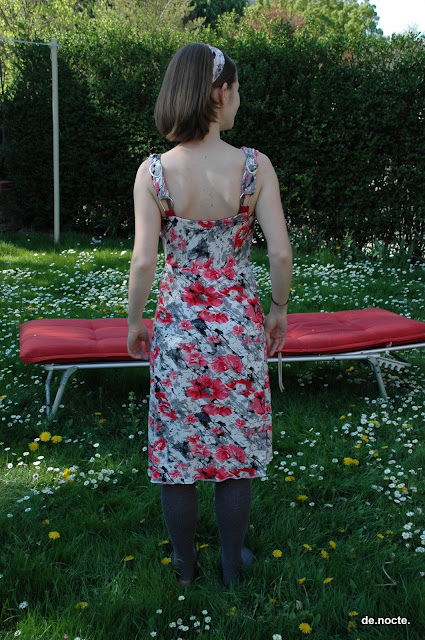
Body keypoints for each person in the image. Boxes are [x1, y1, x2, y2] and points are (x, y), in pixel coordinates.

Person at [127, 43, 292, 587]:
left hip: (178, 330)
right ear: (220, 93)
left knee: (178, 453)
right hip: (238, 327)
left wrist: (134, 321)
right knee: (234, 450)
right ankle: (231, 566)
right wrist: (278, 309)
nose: (239, 100)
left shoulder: (154, 173)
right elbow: (280, 253)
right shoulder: (254, 167)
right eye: (237, 90)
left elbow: (144, 260)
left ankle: (183, 568)